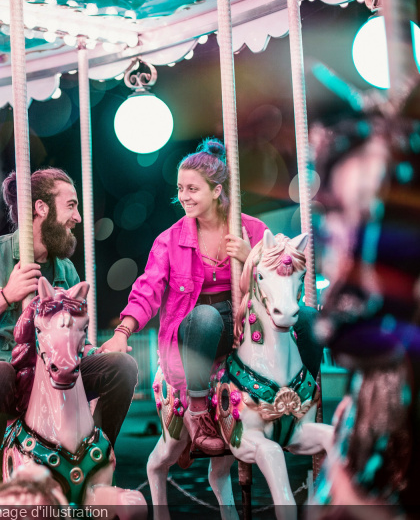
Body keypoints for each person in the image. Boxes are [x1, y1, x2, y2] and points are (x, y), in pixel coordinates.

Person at [100, 139, 321, 455]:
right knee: (206, 318)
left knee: (311, 318)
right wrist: (123, 332)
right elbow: (147, 289)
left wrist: (250, 257)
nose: (183, 197)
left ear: (217, 191)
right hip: (198, 330)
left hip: (247, 319)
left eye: (192, 189)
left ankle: (302, 396)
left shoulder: (253, 229)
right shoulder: (170, 240)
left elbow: (282, 274)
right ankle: (198, 409)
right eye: (180, 188)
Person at [0, 168, 139, 490]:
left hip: (51, 372)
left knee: (122, 367)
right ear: (41, 208)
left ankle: (97, 458)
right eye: (71, 205)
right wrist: (6, 296)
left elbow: (73, 336)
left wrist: (92, 350)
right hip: (4, 374)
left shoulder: (65, 270)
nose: (77, 217)